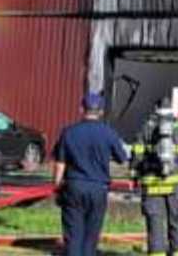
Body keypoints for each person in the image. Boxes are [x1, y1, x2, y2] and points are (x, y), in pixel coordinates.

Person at [52, 91, 128, 256]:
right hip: (98, 188)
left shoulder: (68, 132)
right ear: (100, 111)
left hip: (74, 186)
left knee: (73, 236)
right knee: (91, 237)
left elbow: (60, 163)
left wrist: (57, 186)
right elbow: (122, 158)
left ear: (81, 109)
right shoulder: (108, 133)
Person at [130, 96, 178, 256]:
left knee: (155, 227)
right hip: (177, 188)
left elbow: (136, 159)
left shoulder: (145, 128)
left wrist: (134, 177)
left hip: (152, 187)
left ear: (155, 109)